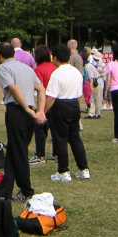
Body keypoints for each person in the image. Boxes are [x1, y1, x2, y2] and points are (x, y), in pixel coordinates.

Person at [0, 43, 46, 202]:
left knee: (19, 153)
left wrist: (26, 109)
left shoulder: (3, 68)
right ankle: (4, 192)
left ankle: (26, 190)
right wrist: (40, 111)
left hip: (17, 111)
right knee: (14, 150)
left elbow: (14, 89)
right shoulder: (27, 68)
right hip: (29, 111)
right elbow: (41, 89)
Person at [45, 44, 90, 183]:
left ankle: (63, 171)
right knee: (75, 138)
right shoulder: (76, 72)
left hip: (60, 106)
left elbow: (51, 97)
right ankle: (84, 170)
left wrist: (43, 112)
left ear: (55, 57)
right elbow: (79, 93)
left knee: (60, 139)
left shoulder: (56, 74)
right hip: (74, 105)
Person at [29, 45, 57, 166]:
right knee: (56, 131)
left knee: (40, 129)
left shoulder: (38, 70)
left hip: (45, 103)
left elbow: (39, 89)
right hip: (57, 102)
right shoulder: (55, 67)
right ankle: (56, 154)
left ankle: (40, 155)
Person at [86, 49, 105, 119]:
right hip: (99, 81)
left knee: (94, 98)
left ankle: (94, 114)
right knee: (97, 98)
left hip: (95, 82)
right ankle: (96, 113)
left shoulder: (90, 65)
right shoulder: (101, 63)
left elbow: (91, 77)